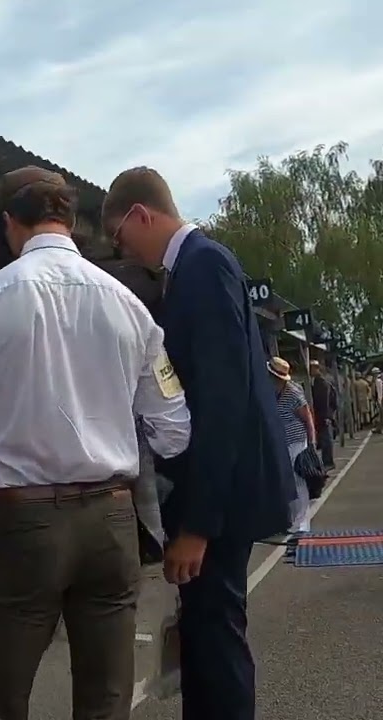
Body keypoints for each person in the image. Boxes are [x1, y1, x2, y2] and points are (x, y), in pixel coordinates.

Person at [0, 166, 191, 720]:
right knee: (106, 700)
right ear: (70, 221)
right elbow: (173, 430)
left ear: (9, 224)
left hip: (23, 520)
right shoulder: (130, 306)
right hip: (112, 521)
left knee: (0, 698)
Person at [102, 166, 296, 720]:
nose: (125, 251)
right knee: (207, 635)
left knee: (215, 640)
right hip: (225, 495)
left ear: (143, 215)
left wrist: (197, 526)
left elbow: (221, 400)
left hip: (223, 503)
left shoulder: (203, 266)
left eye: (121, 237)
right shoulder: (198, 267)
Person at [269, 357, 316, 532]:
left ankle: (302, 522)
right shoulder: (273, 392)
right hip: (281, 442)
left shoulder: (293, 392)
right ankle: (291, 519)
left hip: (296, 441)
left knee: (298, 481)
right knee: (286, 481)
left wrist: (311, 443)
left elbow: (307, 417)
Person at [308, 361, 336, 469]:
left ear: (316, 368)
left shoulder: (321, 383)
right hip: (323, 413)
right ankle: (327, 461)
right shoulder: (319, 381)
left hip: (323, 414)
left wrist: (327, 416)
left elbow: (324, 401)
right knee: (325, 438)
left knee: (326, 438)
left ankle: (328, 462)